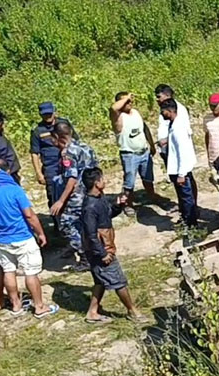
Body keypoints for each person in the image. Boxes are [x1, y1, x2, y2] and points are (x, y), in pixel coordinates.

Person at [0, 164, 55, 317]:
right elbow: (29, 215)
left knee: (8, 271)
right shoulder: (14, 190)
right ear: (6, 173)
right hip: (23, 237)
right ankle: (39, 306)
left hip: (1, 240)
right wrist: (41, 233)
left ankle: (16, 305)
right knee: (30, 272)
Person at [79, 167, 144, 323]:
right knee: (118, 280)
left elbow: (107, 215)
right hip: (101, 250)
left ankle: (92, 312)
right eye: (102, 178)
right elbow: (91, 234)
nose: (105, 181)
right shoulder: (89, 208)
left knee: (100, 281)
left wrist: (118, 205)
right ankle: (133, 311)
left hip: (104, 246)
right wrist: (103, 254)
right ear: (96, 183)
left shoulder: (99, 198)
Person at [49, 121, 98, 268]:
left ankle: (84, 257)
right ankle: (92, 249)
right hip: (90, 193)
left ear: (58, 136)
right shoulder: (85, 147)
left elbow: (71, 178)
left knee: (67, 224)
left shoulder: (68, 153)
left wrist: (61, 201)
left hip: (76, 196)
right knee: (86, 224)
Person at [109, 91, 162, 211]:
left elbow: (145, 128)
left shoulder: (135, 113)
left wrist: (151, 145)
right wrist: (127, 97)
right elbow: (113, 108)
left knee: (148, 177)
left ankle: (152, 196)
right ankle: (128, 204)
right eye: (126, 101)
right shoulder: (118, 117)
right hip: (129, 155)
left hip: (143, 152)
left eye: (130, 100)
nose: (130, 102)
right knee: (129, 182)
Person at [159, 97, 200, 227]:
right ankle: (187, 220)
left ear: (170, 111)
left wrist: (182, 174)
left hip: (180, 170)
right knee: (184, 198)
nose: (162, 114)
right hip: (177, 169)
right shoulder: (175, 125)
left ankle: (191, 224)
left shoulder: (177, 129)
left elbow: (182, 152)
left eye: (163, 111)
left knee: (187, 199)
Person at [30, 102, 72, 208]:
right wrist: (39, 173)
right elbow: (35, 153)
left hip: (68, 162)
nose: (48, 116)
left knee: (71, 191)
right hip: (51, 166)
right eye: (45, 114)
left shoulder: (63, 124)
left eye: (49, 113)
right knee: (53, 195)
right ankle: (57, 222)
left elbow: (74, 139)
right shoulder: (37, 131)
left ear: (54, 112)